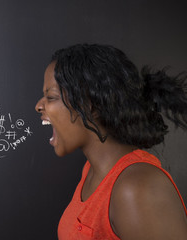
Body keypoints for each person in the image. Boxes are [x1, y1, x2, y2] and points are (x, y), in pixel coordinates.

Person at [35, 44, 187, 239]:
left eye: (51, 97)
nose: (39, 106)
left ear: (92, 105)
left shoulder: (137, 188)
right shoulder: (91, 170)